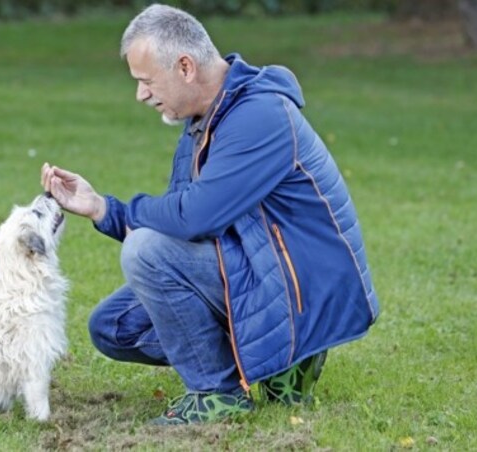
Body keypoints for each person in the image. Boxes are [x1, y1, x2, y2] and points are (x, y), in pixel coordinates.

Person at [40, 3, 379, 425]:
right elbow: (183, 223)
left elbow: (195, 218)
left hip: (302, 292)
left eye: (146, 81)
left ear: (184, 67)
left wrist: (122, 213)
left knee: (145, 251)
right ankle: (271, 366)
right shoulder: (206, 116)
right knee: (113, 327)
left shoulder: (260, 115)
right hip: (256, 268)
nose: (141, 95)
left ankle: (218, 392)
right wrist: (100, 209)